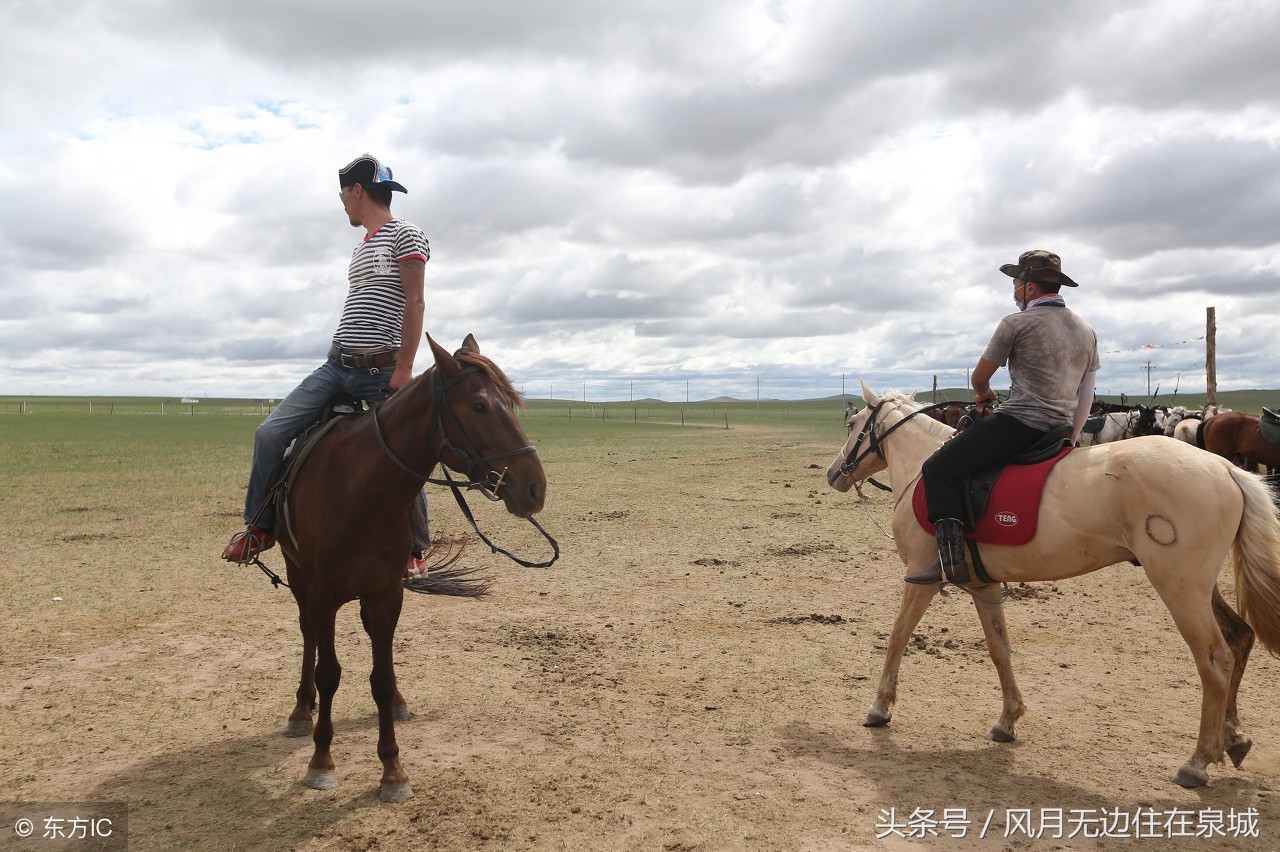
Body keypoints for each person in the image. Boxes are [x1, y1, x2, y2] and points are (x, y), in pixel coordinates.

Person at [223, 153, 432, 575]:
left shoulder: (406, 236)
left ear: (357, 191)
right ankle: (260, 528)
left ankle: (414, 548)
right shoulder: (361, 248)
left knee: (404, 450)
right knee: (269, 434)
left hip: (381, 370)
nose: (342, 203)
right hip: (336, 366)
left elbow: (415, 301)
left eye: (343, 194)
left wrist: (404, 370)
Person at [907, 250, 1100, 585]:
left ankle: (949, 561)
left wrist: (984, 396)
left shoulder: (1016, 323)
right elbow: (1087, 394)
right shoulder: (1086, 330)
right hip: (1059, 430)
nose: (1013, 289)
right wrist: (1071, 436)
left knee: (937, 468)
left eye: (1016, 282)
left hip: (1019, 423)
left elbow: (980, 378)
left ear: (1029, 288)